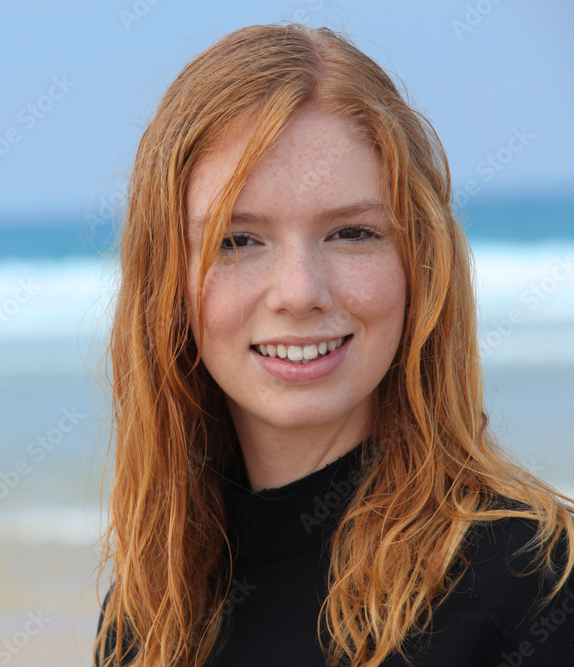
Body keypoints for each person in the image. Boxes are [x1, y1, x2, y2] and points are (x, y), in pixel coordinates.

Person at [92, 23, 574, 667]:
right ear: (165, 283)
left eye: (351, 232)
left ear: (419, 264)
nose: (299, 292)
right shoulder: (150, 613)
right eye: (237, 240)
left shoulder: (536, 584)